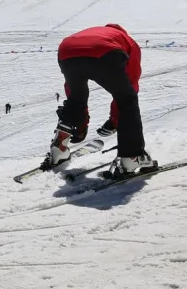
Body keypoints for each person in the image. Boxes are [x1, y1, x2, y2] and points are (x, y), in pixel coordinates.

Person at [48, 24, 156, 177]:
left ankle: (59, 149)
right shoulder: (129, 42)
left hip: (66, 51)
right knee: (128, 100)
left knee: (76, 98)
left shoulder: (98, 32)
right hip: (105, 52)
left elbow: (73, 92)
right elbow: (129, 88)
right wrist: (114, 121)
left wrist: (80, 126)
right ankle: (132, 157)